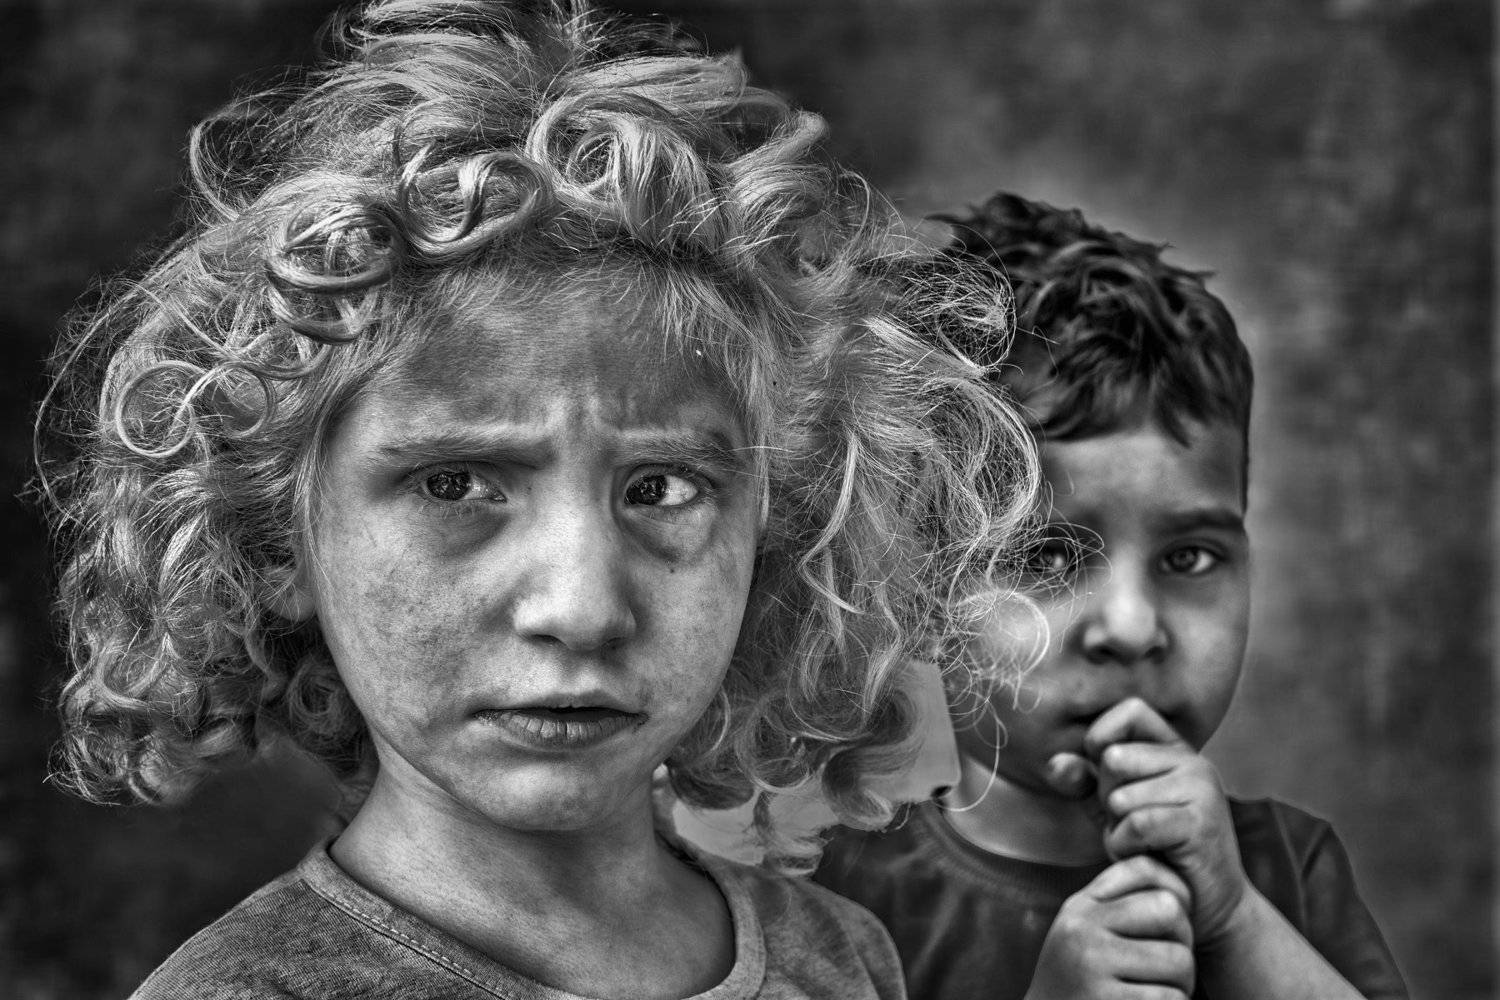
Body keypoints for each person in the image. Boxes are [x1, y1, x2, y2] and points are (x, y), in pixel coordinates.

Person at [37, 5, 1041, 997]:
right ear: (276, 545)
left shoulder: (840, 952)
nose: (582, 609)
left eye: (661, 488)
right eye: (455, 485)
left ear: (777, 527)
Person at [813, 191, 1408, 1000]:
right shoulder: (848, 900)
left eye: (1189, 557)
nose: (1131, 627)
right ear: (921, 588)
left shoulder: (1285, 872)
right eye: (1049, 557)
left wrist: (1234, 922)